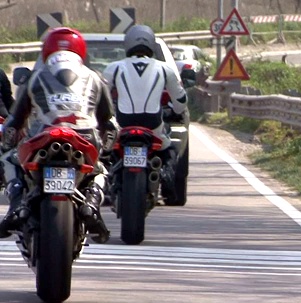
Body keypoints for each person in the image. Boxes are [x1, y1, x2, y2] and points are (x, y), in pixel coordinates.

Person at [0, 27, 115, 243]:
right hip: (84, 139)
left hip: (42, 138)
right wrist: (106, 151)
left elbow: (14, 121)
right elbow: (109, 124)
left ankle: (17, 206)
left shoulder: (34, 78)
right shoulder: (94, 78)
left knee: (8, 161)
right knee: (100, 170)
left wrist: (7, 145)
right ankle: (90, 203)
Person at [102, 24, 188, 201]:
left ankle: (104, 180)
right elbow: (180, 100)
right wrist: (175, 111)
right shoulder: (165, 68)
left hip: (123, 124)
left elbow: (99, 97)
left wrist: (102, 115)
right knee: (169, 148)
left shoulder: (114, 67)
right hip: (153, 125)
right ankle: (166, 179)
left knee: (105, 150)